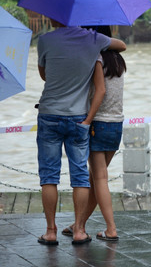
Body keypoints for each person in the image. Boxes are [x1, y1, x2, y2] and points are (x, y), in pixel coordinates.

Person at [36, 19, 126, 245]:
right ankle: (79, 231)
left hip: (49, 114)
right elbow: (121, 45)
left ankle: (50, 231)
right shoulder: (93, 41)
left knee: (49, 176)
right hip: (80, 119)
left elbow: (45, 75)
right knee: (81, 177)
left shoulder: (44, 39)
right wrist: (87, 120)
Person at [62, 26, 126, 242]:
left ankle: (111, 229)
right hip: (116, 124)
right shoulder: (117, 60)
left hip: (98, 123)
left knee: (99, 179)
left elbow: (98, 91)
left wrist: (87, 119)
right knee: (96, 178)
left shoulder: (95, 57)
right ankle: (78, 225)